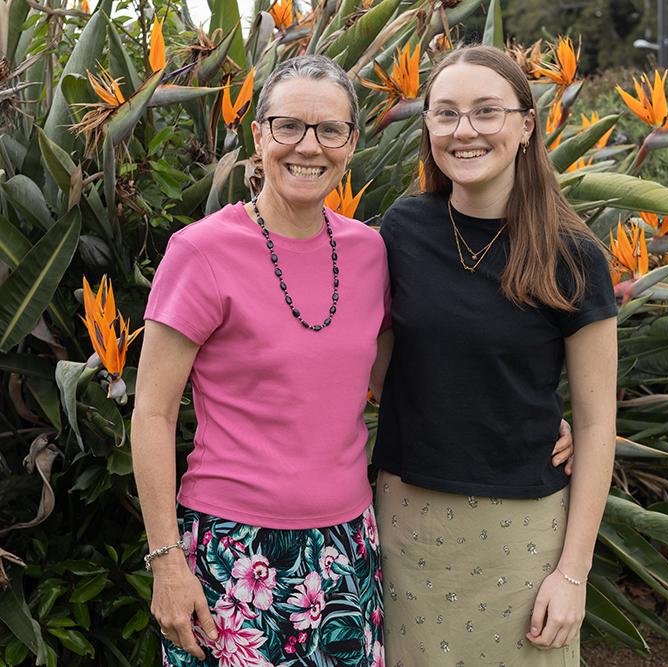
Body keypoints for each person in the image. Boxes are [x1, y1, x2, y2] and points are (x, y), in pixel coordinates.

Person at [131, 54, 572, 667]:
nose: (307, 147)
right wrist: (166, 560)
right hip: (231, 550)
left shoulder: (371, 252)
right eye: (288, 126)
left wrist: (537, 420)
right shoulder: (200, 252)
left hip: (349, 550)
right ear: (258, 136)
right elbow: (151, 414)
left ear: (351, 143)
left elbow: (425, 367)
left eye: (329, 130)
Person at [372, 45, 618, 666]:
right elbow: (370, 366)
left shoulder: (574, 255)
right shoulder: (400, 232)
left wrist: (573, 575)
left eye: (487, 112)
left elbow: (596, 423)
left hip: (522, 532)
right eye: (446, 113)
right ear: (427, 127)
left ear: (526, 124)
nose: (465, 131)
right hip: (408, 517)